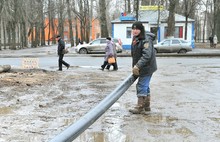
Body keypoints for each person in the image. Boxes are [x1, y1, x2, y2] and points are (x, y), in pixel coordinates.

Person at [129, 21, 157, 114]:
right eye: (133, 29)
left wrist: (137, 65)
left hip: (147, 67)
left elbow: (147, 55)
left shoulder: (146, 39)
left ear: (141, 29)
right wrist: (135, 66)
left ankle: (140, 106)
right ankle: (147, 106)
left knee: (141, 85)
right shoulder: (136, 38)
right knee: (145, 86)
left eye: (137, 29)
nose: (135, 31)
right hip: (142, 67)